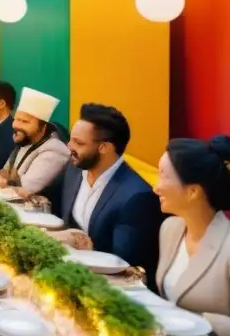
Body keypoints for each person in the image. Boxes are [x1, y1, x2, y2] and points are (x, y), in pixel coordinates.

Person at [154, 135, 230, 336]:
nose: (155, 187)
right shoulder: (170, 229)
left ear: (193, 191)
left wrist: (198, 323)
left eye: (162, 176)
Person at [52, 103, 162, 288]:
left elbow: (121, 264)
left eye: (78, 143)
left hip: (102, 288)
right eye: (71, 140)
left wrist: (86, 248)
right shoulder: (75, 168)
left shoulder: (136, 196)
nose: (69, 146)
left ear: (104, 147)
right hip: (63, 271)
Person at [0, 87, 70, 198]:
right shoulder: (24, 140)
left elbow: (26, 189)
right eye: (16, 119)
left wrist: (6, 181)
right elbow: (4, 174)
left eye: (25, 122)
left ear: (43, 128)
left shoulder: (54, 150)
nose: (17, 125)